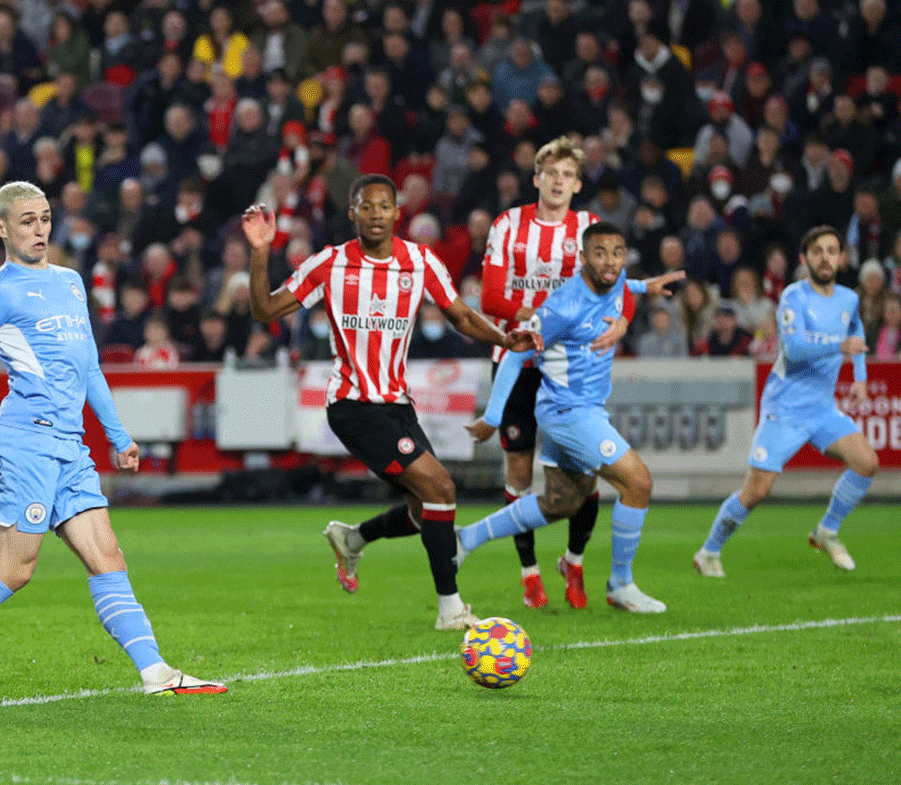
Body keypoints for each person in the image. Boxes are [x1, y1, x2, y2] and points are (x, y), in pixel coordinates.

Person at [0, 181, 226, 697]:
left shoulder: (70, 282)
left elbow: (89, 368)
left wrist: (119, 434)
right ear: (1, 227)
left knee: (108, 557)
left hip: (70, 444)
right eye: (27, 221)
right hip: (26, 441)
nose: (40, 229)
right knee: (15, 568)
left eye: (44, 219)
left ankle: (156, 674)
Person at [240, 175, 543, 630]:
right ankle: (451, 609)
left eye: (385, 206)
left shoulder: (420, 262)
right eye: (367, 206)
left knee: (426, 511)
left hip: (397, 405)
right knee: (441, 489)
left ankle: (354, 538)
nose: (377, 213)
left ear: (397, 213)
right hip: (352, 405)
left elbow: (460, 315)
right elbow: (265, 311)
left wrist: (504, 340)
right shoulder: (329, 265)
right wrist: (262, 252)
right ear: (353, 214)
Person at [457, 222, 669, 613]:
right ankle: (621, 584)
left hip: (579, 411)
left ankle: (465, 539)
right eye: (601, 253)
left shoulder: (617, 278)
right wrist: (492, 416)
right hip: (567, 414)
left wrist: (645, 286)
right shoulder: (562, 306)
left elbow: (623, 284)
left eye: (618, 252)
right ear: (582, 258)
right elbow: (516, 354)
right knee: (638, 483)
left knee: (560, 502)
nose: (611, 262)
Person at [479, 136, 638, 610]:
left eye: (567, 175)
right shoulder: (508, 225)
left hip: (573, 369)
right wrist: (542, 317)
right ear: (537, 178)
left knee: (581, 473)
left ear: (577, 183)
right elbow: (490, 299)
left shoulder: (590, 228)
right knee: (521, 469)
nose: (557, 181)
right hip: (519, 361)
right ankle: (529, 572)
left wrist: (625, 318)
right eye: (550, 173)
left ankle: (574, 559)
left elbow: (620, 286)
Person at [694, 226, 880, 578]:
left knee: (866, 462)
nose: (826, 257)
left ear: (841, 257)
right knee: (757, 491)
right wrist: (840, 348)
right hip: (785, 409)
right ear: (804, 259)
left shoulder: (848, 299)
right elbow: (794, 351)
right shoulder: (794, 297)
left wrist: (859, 377)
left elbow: (856, 332)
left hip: (822, 409)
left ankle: (826, 531)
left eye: (832, 250)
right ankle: (708, 551)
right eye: (818, 251)